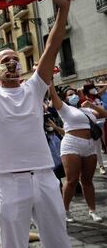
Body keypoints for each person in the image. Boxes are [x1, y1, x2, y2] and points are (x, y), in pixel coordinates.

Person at [0, 0, 73, 247]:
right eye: (5, 60)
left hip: (45, 176)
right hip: (9, 179)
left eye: (15, 58)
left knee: (58, 239)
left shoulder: (34, 88)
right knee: (13, 242)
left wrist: (63, 10)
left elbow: (52, 45)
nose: (12, 62)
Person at [49, 85, 107, 222]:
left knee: (87, 180)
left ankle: (92, 210)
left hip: (90, 145)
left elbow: (104, 114)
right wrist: (50, 80)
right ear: (64, 98)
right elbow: (52, 95)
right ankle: (65, 211)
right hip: (71, 144)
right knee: (72, 180)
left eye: (74, 93)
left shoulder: (87, 109)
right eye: (69, 94)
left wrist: (91, 104)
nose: (73, 96)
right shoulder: (64, 108)